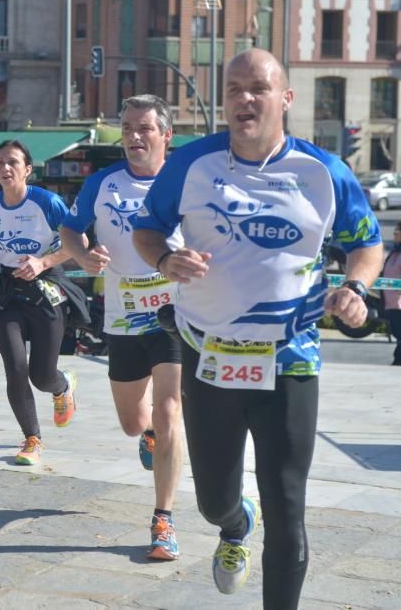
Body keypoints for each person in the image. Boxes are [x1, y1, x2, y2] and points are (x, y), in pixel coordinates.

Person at [132, 48, 383, 608]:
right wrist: (164, 262)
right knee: (212, 500)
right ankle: (234, 523)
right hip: (209, 356)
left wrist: (357, 290)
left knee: (287, 505)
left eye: (258, 88)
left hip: (290, 358)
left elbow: (368, 242)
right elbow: (147, 232)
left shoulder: (323, 171)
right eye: (234, 89)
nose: (245, 99)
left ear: (285, 99)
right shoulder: (191, 165)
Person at [61, 94, 184, 560]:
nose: (134, 137)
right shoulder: (102, 183)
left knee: (171, 409)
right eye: (128, 128)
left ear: (165, 136)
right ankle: (151, 435)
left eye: (144, 128)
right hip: (123, 316)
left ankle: (163, 519)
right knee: (135, 423)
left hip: (175, 315)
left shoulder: (185, 183)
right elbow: (71, 231)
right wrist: (81, 254)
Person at [0, 139, 81, 466]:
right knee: (15, 369)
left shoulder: (47, 203)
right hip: (8, 292)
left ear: (27, 170)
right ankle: (32, 439)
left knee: (41, 375)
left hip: (46, 288)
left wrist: (43, 263)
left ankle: (63, 387)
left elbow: (78, 244)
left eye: (13, 163)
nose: (5, 169)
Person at [384, 222, 401, 366]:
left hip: (399, 303)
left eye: (396, 233)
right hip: (392, 303)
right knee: (397, 332)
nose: (394, 236)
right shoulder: (395, 252)